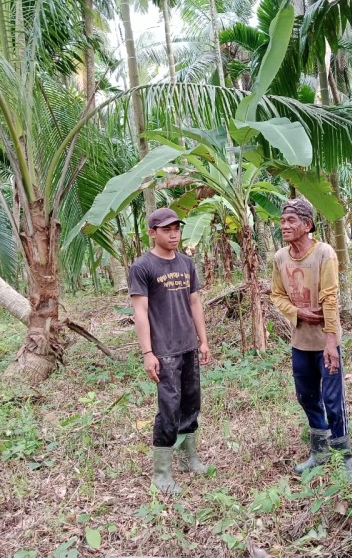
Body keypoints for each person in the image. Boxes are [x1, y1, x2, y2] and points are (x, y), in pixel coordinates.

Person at [129, 207, 212, 494]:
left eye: (176, 228)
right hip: (163, 350)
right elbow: (140, 312)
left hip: (188, 346)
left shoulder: (186, 263)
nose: (174, 234)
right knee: (169, 407)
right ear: (152, 233)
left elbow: (194, 303)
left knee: (191, 402)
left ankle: (189, 458)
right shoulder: (143, 267)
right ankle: (161, 474)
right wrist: (147, 353)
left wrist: (203, 340)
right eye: (167, 229)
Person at [270, 198, 352, 475]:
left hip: (325, 342)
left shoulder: (324, 254)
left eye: (291, 220)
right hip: (300, 342)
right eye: (282, 221)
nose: (285, 226)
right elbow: (277, 295)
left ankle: (344, 456)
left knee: (333, 399)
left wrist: (331, 342)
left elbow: (330, 297)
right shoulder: (280, 258)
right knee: (306, 396)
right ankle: (320, 450)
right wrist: (298, 312)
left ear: (307, 225)